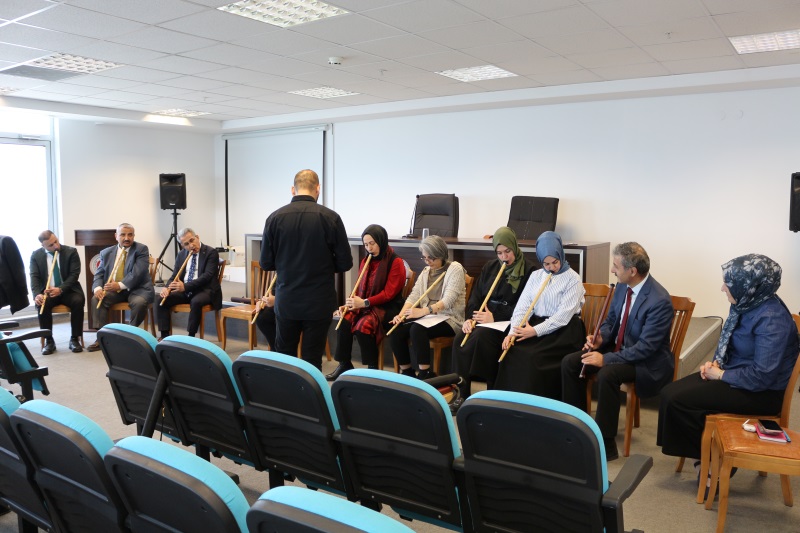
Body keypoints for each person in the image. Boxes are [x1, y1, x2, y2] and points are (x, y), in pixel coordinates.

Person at [657, 254, 798, 469]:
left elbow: (763, 376)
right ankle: (710, 455)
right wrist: (715, 364)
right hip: (737, 375)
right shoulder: (746, 302)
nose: (723, 288)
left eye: (728, 283)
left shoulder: (772, 318)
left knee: (680, 402)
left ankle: (715, 462)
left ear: (748, 285)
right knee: (669, 393)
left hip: (762, 392)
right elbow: (729, 342)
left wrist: (721, 374)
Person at [561, 242, 673, 461]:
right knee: (570, 362)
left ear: (632, 271)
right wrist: (601, 337)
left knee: (608, 373)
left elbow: (645, 348)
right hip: (619, 349)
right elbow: (611, 320)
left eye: (616, 266)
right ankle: (578, 427)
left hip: (645, 362)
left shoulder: (659, 301)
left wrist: (606, 358)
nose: (612, 270)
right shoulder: (622, 286)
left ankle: (606, 443)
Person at [259, 169, 352, 370]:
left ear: (293, 190)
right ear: (318, 188)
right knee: (312, 359)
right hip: (319, 301)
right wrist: (324, 265)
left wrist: (286, 263)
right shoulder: (331, 218)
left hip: (287, 300)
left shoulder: (274, 218)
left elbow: (265, 263)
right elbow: (345, 263)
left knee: (285, 359)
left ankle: (286, 391)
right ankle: (311, 390)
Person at [449, 227, 535, 412]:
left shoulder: (530, 271)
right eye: (499, 253)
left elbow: (526, 307)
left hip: (508, 323)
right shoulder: (490, 267)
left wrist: (495, 317)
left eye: (508, 251)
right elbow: (475, 297)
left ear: (515, 246)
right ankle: (462, 393)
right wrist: (470, 319)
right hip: (484, 320)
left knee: (482, 338)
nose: (504, 257)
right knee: (459, 339)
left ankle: (492, 394)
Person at [493, 231, 586, 401]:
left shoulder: (573, 279)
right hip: (536, 325)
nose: (551, 267)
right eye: (546, 263)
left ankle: (536, 406)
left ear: (561, 255)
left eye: (555, 262)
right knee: (513, 350)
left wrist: (534, 331)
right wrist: (513, 332)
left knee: (533, 357)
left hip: (563, 331)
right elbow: (523, 307)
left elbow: (562, 317)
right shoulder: (536, 275)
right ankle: (510, 404)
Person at [326, 224, 406, 381]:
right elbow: (359, 288)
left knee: (363, 325)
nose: (369, 248)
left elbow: (388, 294)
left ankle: (373, 368)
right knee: (344, 321)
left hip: (388, 307)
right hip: (366, 305)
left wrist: (364, 303)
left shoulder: (396, 262)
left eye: (372, 243)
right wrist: (349, 304)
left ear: (381, 241)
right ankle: (344, 363)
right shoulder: (365, 261)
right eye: (366, 244)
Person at [389, 235, 465, 380]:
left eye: (431, 258)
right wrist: (401, 315)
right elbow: (413, 296)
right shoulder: (426, 272)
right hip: (428, 318)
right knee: (396, 330)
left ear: (441, 255)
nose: (428, 261)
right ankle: (407, 372)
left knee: (417, 329)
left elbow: (448, 300)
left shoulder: (455, 268)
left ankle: (425, 374)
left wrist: (424, 311)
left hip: (450, 319)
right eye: (424, 257)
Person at [87, 223, 154, 351]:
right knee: (97, 299)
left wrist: (119, 285)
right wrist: (98, 288)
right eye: (122, 234)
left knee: (139, 303)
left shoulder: (141, 249)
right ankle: (102, 337)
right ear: (116, 236)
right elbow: (99, 274)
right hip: (115, 291)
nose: (126, 238)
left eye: (130, 235)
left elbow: (137, 273)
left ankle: (130, 336)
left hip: (138, 289)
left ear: (134, 236)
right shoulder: (106, 252)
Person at [156, 228, 221, 340]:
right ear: (182, 246)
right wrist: (166, 288)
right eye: (186, 244)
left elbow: (207, 276)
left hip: (205, 290)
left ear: (197, 237)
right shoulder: (182, 254)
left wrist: (185, 287)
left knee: (196, 302)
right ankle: (164, 336)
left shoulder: (211, 252)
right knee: (160, 299)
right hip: (185, 290)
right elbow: (175, 276)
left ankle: (191, 337)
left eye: (192, 240)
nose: (191, 245)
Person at [29, 231, 85, 354]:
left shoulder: (71, 252)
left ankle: (75, 338)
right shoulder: (36, 256)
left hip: (68, 290)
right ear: (43, 246)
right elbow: (34, 277)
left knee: (78, 300)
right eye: (51, 245)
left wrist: (60, 289)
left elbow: (74, 275)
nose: (56, 246)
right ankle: (49, 340)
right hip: (48, 292)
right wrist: (37, 294)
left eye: (56, 241)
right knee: (42, 303)